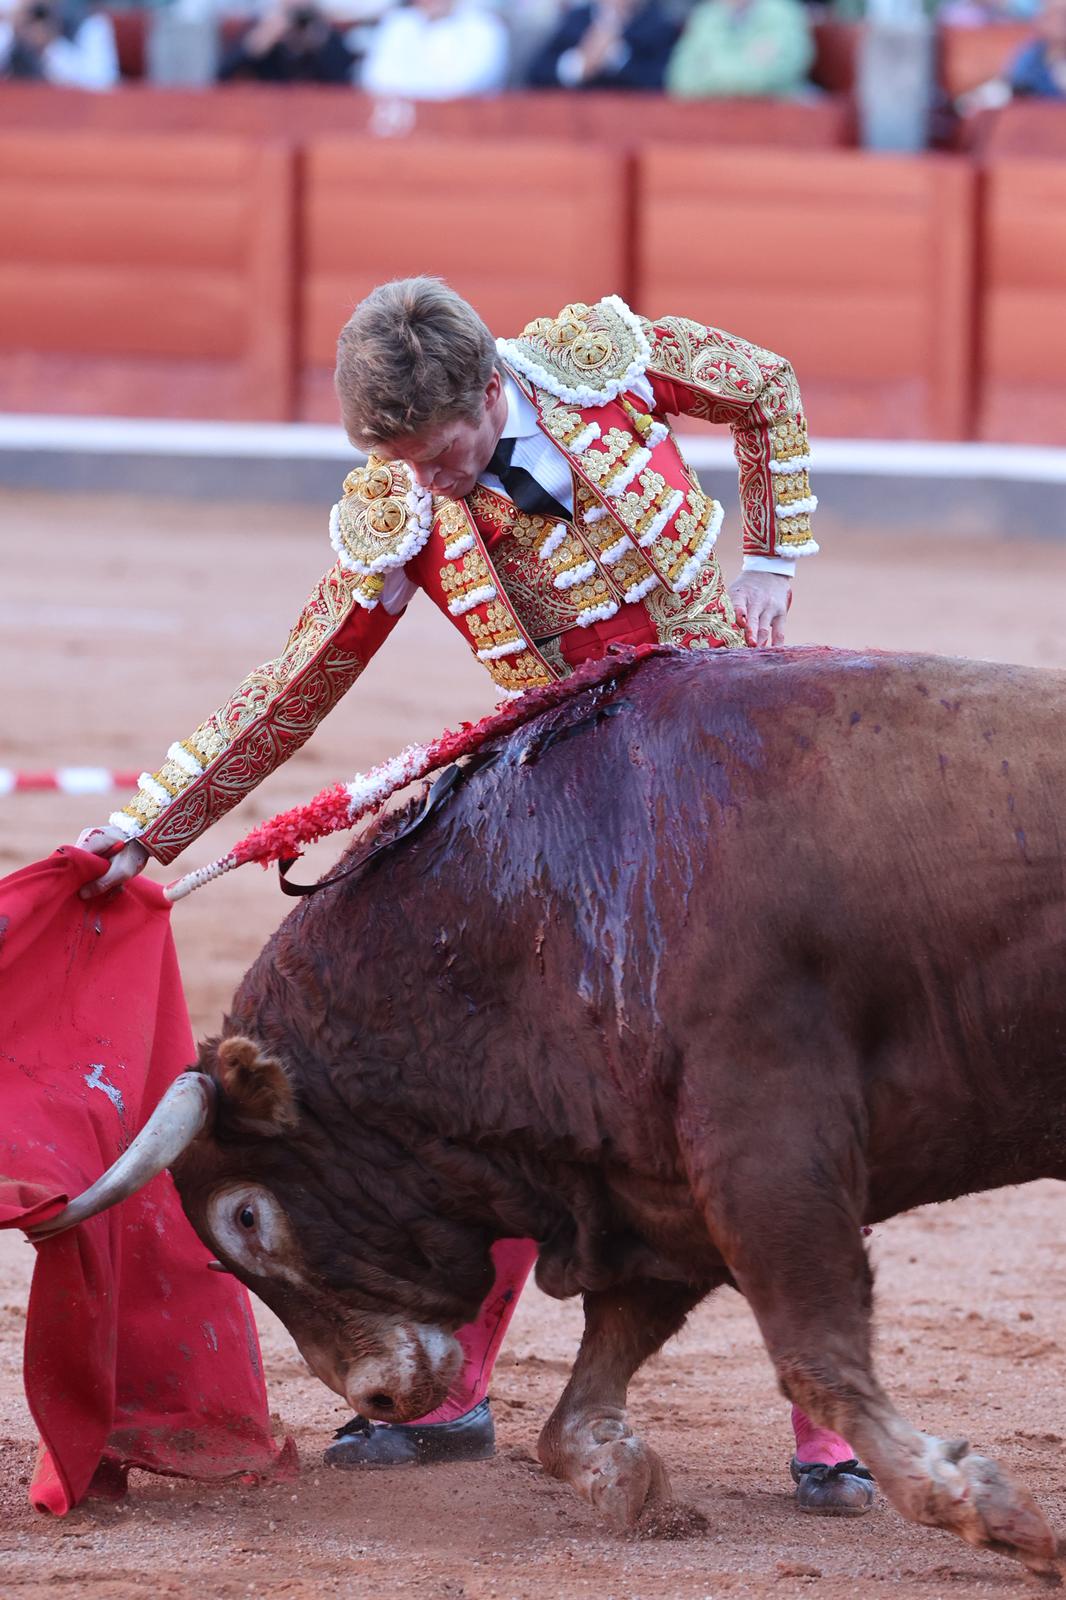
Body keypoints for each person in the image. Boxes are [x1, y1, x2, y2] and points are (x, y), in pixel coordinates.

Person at [77, 277, 872, 1517]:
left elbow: (763, 385)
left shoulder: (600, 366)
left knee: (779, 1075)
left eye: (445, 457)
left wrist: (770, 551)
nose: (434, 487)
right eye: (405, 465)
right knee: (498, 1094)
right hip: (575, 807)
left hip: (733, 769)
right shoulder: (404, 508)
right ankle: (452, 1398)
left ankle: (830, 1422)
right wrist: (145, 826)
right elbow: (291, 690)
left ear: (492, 391)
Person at [665, 0, 814, 101]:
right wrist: (749, 64)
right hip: (714, 121)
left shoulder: (783, 13)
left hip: (778, 121)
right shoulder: (705, 16)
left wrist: (711, 68)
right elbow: (681, 80)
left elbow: (778, 74)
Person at [360, 0, 509, 99]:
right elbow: (376, 78)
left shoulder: (485, 27)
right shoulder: (398, 23)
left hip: (468, 128)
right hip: (402, 125)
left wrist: (409, 89)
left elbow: (464, 86)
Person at [525, 0, 678, 91]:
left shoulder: (656, 26)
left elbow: (662, 82)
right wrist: (578, 65)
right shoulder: (576, 20)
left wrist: (616, 58)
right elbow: (535, 74)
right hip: (574, 123)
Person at [218, 0, 353, 84]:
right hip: (266, 111)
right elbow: (220, 76)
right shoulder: (262, 29)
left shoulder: (325, 33)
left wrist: (320, 45)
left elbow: (346, 83)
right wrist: (257, 43)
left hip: (318, 114)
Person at [0, 0, 118, 88]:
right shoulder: (12, 18)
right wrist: (10, 28)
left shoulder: (90, 21)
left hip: (71, 113)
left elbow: (103, 83)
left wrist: (50, 45)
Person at [1005, 0, 1066, 98]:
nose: (1059, 23)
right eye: (1052, 16)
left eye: (1063, 16)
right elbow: (1016, 88)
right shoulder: (1029, 56)